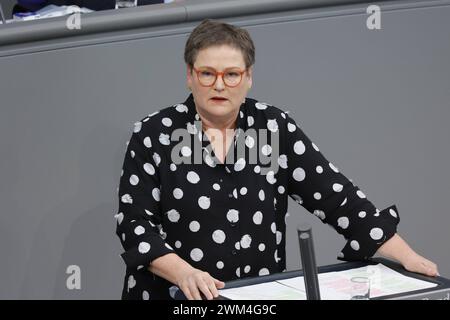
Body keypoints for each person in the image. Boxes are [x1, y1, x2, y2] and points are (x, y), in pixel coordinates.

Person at [115, 19, 439, 300]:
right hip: (172, 296)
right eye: (207, 74)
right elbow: (134, 225)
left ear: (248, 77)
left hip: (255, 296)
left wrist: (408, 258)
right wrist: (185, 273)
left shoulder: (272, 126)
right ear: (189, 75)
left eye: (231, 74)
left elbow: (337, 198)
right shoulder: (154, 133)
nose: (219, 85)